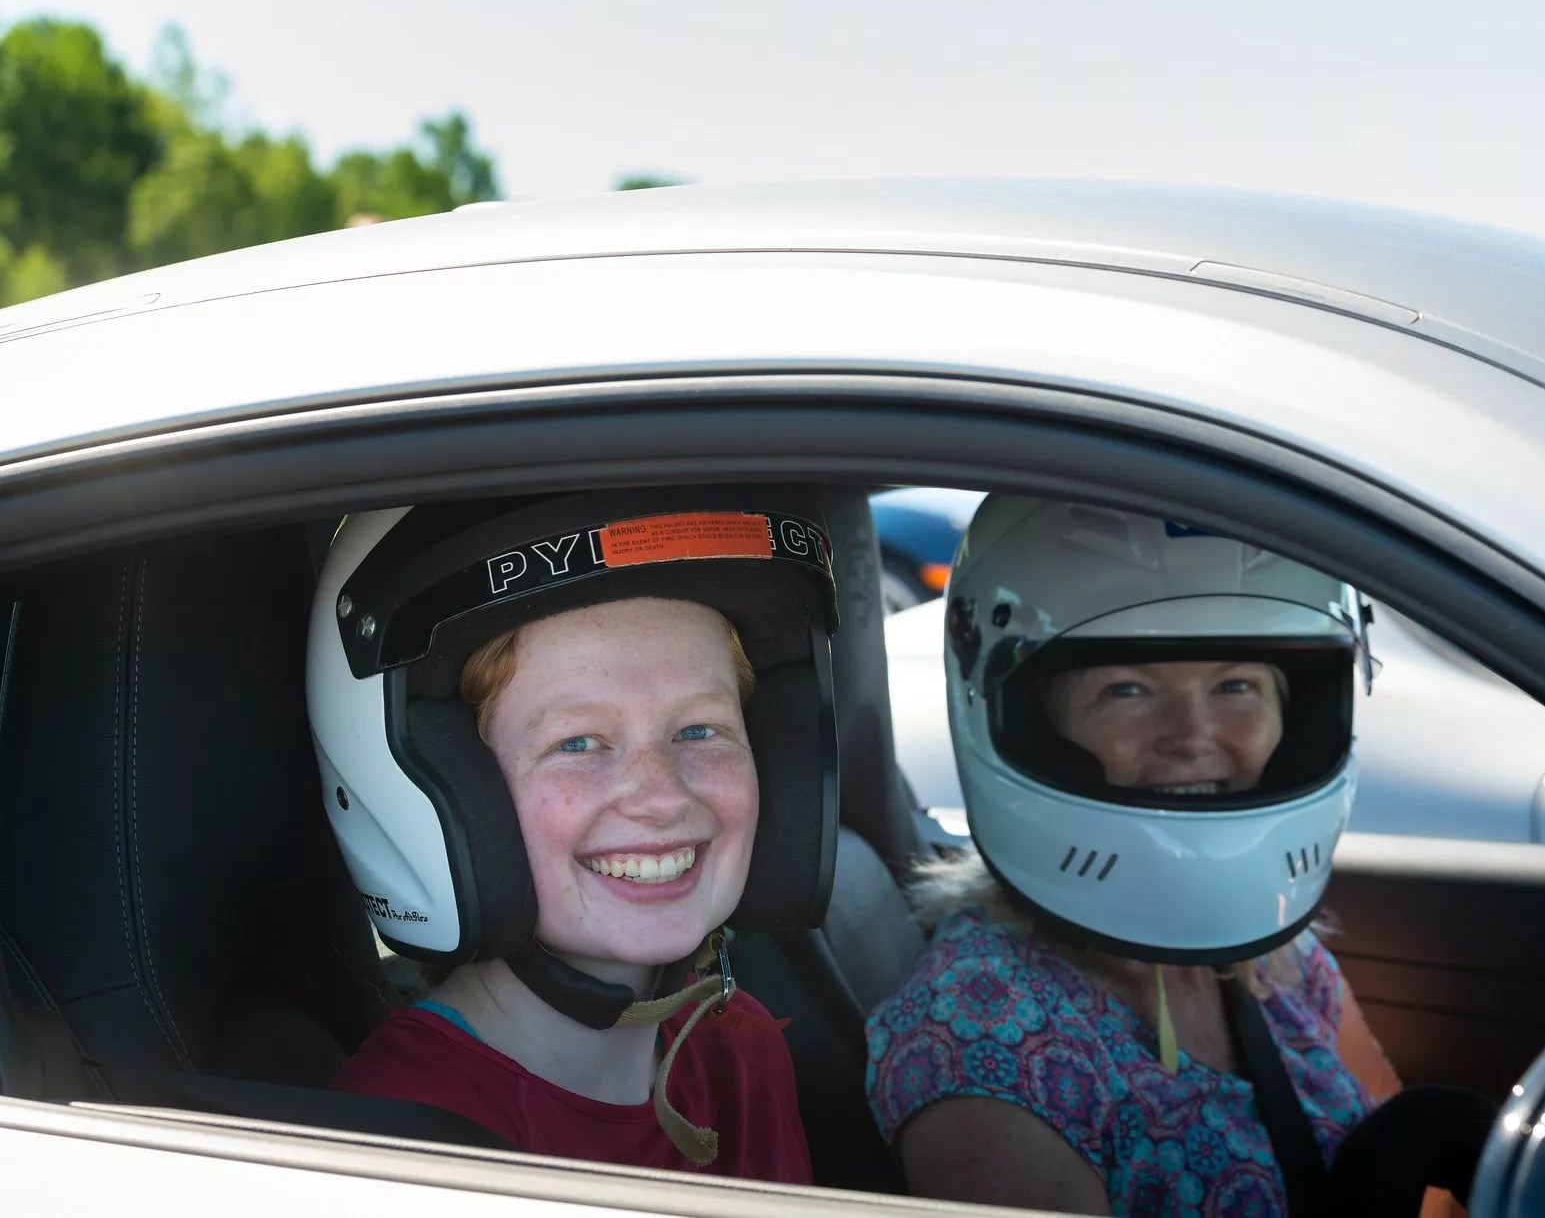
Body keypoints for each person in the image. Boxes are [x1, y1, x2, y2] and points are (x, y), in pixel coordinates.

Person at [866, 497, 1460, 1216]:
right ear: (1029, 720)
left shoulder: (1276, 955)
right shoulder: (980, 1032)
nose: (1193, 734)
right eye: (1128, 689)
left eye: (1235, 684)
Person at [306, 490, 840, 1180]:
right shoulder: (400, 1144)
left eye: (700, 730)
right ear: (459, 792)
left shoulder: (741, 1049)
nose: (660, 795)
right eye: (579, 741)